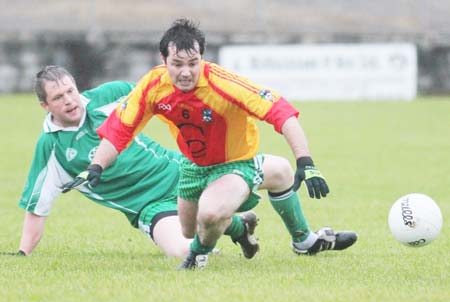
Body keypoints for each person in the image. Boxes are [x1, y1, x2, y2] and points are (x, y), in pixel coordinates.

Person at [64, 18, 357, 270]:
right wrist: (95, 166)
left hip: (234, 164)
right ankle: (242, 227)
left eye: (193, 63)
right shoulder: (153, 86)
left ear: (203, 57)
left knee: (211, 214)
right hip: (193, 166)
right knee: (189, 228)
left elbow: (281, 112)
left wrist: (306, 161)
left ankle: (207, 256)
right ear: (163, 60)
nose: (186, 71)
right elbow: (120, 128)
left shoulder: (222, 84)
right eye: (177, 64)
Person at [5, 65, 250, 258]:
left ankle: (276, 226)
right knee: (182, 252)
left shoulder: (109, 96)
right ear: (44, 106)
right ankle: (239, 226)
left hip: (179, 173)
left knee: (261, 172)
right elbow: (37, 208)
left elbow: (159, 94)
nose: (69, 100)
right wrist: (23, 252)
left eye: (71, 91)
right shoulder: (51, 148)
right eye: (58, 97)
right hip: (147, 207)